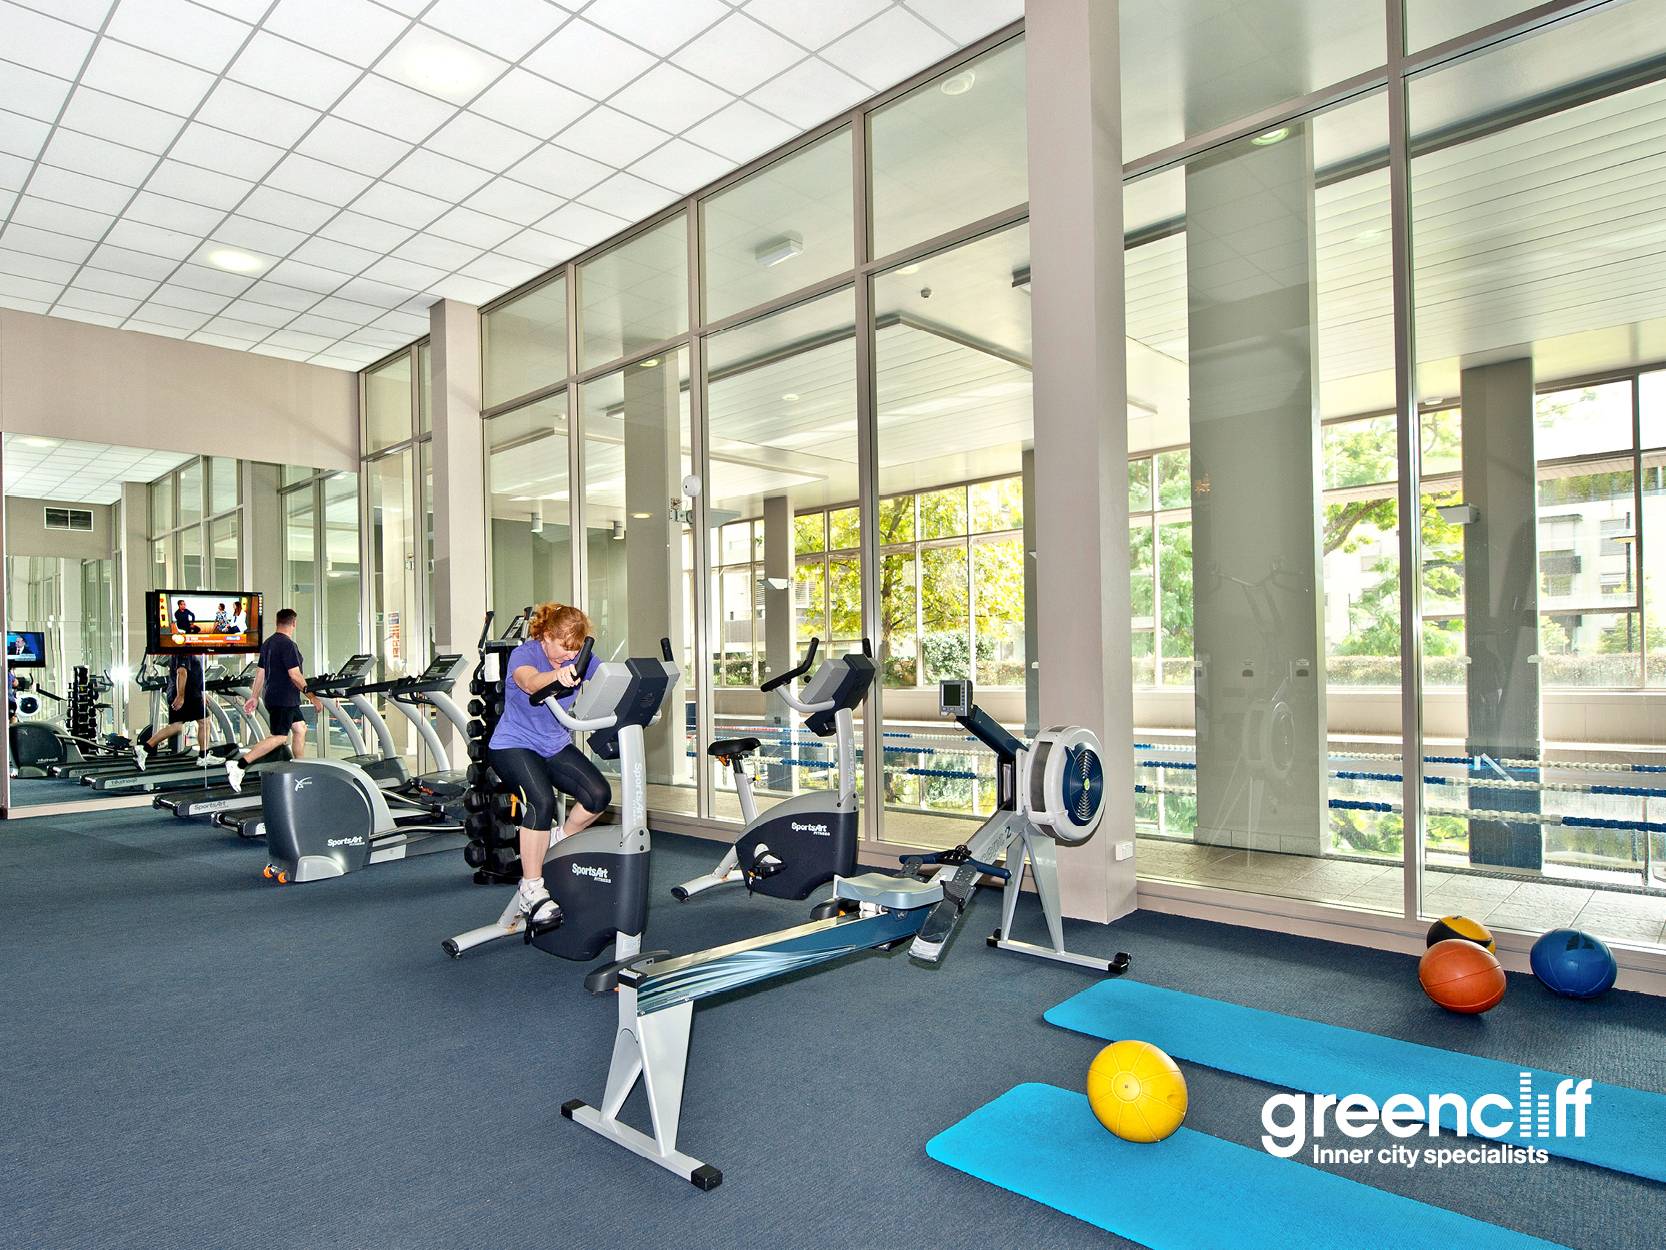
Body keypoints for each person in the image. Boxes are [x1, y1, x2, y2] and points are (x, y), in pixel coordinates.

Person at [488, 601, 609, 925]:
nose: (570, 656)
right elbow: (529, 682)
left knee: (598, 795)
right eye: (564, 648)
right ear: (546, 636)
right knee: (541, 802)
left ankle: (558, 839)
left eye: (576, 650)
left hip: (553, 745)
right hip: (513, 744)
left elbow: (608, 679)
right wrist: (557, 674)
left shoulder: (579, 657)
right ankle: (531, 888)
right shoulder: (525, 654)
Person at [225, 607, 322, 793]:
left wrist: (254, 696)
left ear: (277, 622)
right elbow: (295, 675)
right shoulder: (288, 645)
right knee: (279, 737)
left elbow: (260, 672)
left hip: (278, 697)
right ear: (294, 623)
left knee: (300, 728)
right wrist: (312, 696)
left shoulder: (268, 643)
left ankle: (299, 769)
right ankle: (239, 765)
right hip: (284, 698)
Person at [133, 652, 211, 771]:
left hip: (191, 693)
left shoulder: (193, 651)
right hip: (188, 694)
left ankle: (144, 749)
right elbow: (182, 672)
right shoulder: (183, 650)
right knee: (203, 722)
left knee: (177, 726)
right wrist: (180, 696)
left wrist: (202, 692)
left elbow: (195, 674)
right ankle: (203, 757)